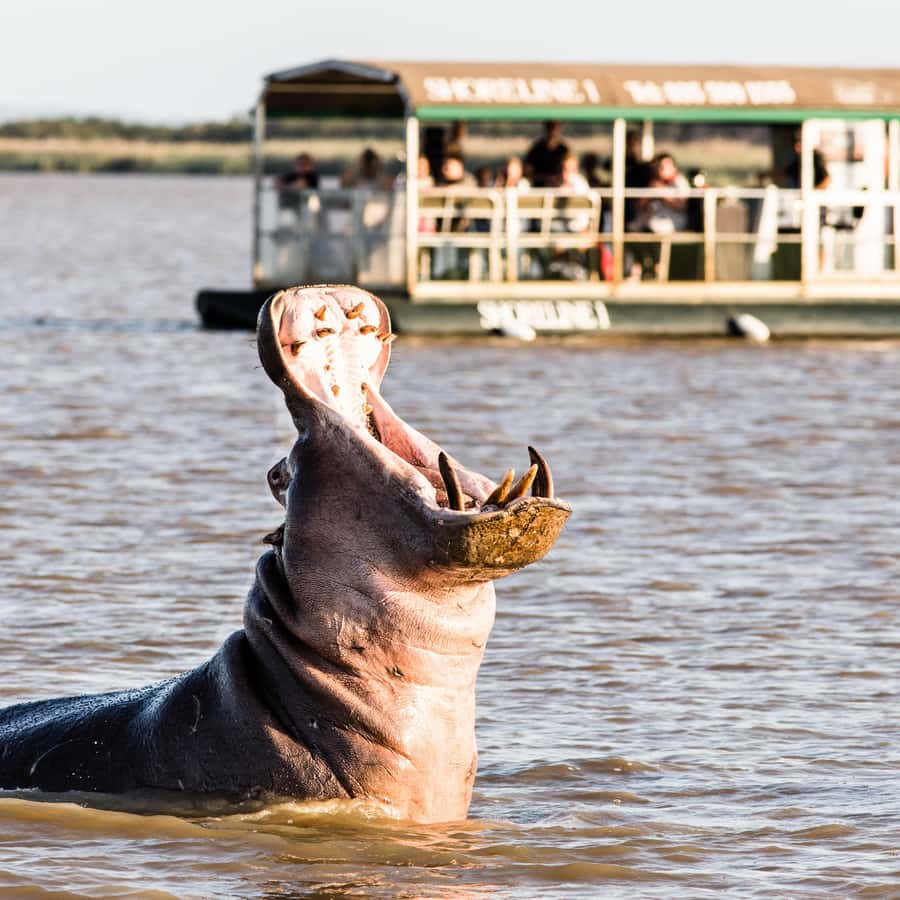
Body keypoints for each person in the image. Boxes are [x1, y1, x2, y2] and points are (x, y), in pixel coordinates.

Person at [524, 121, 569, 187]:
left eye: (556, 127)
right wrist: (545, 178)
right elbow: (528, 171)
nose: (553, 131)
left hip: (560, 187)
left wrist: (558, 179)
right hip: (539, 187)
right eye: (551, 127)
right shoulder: (536, 149)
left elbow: (570, 169)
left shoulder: (563, 150)